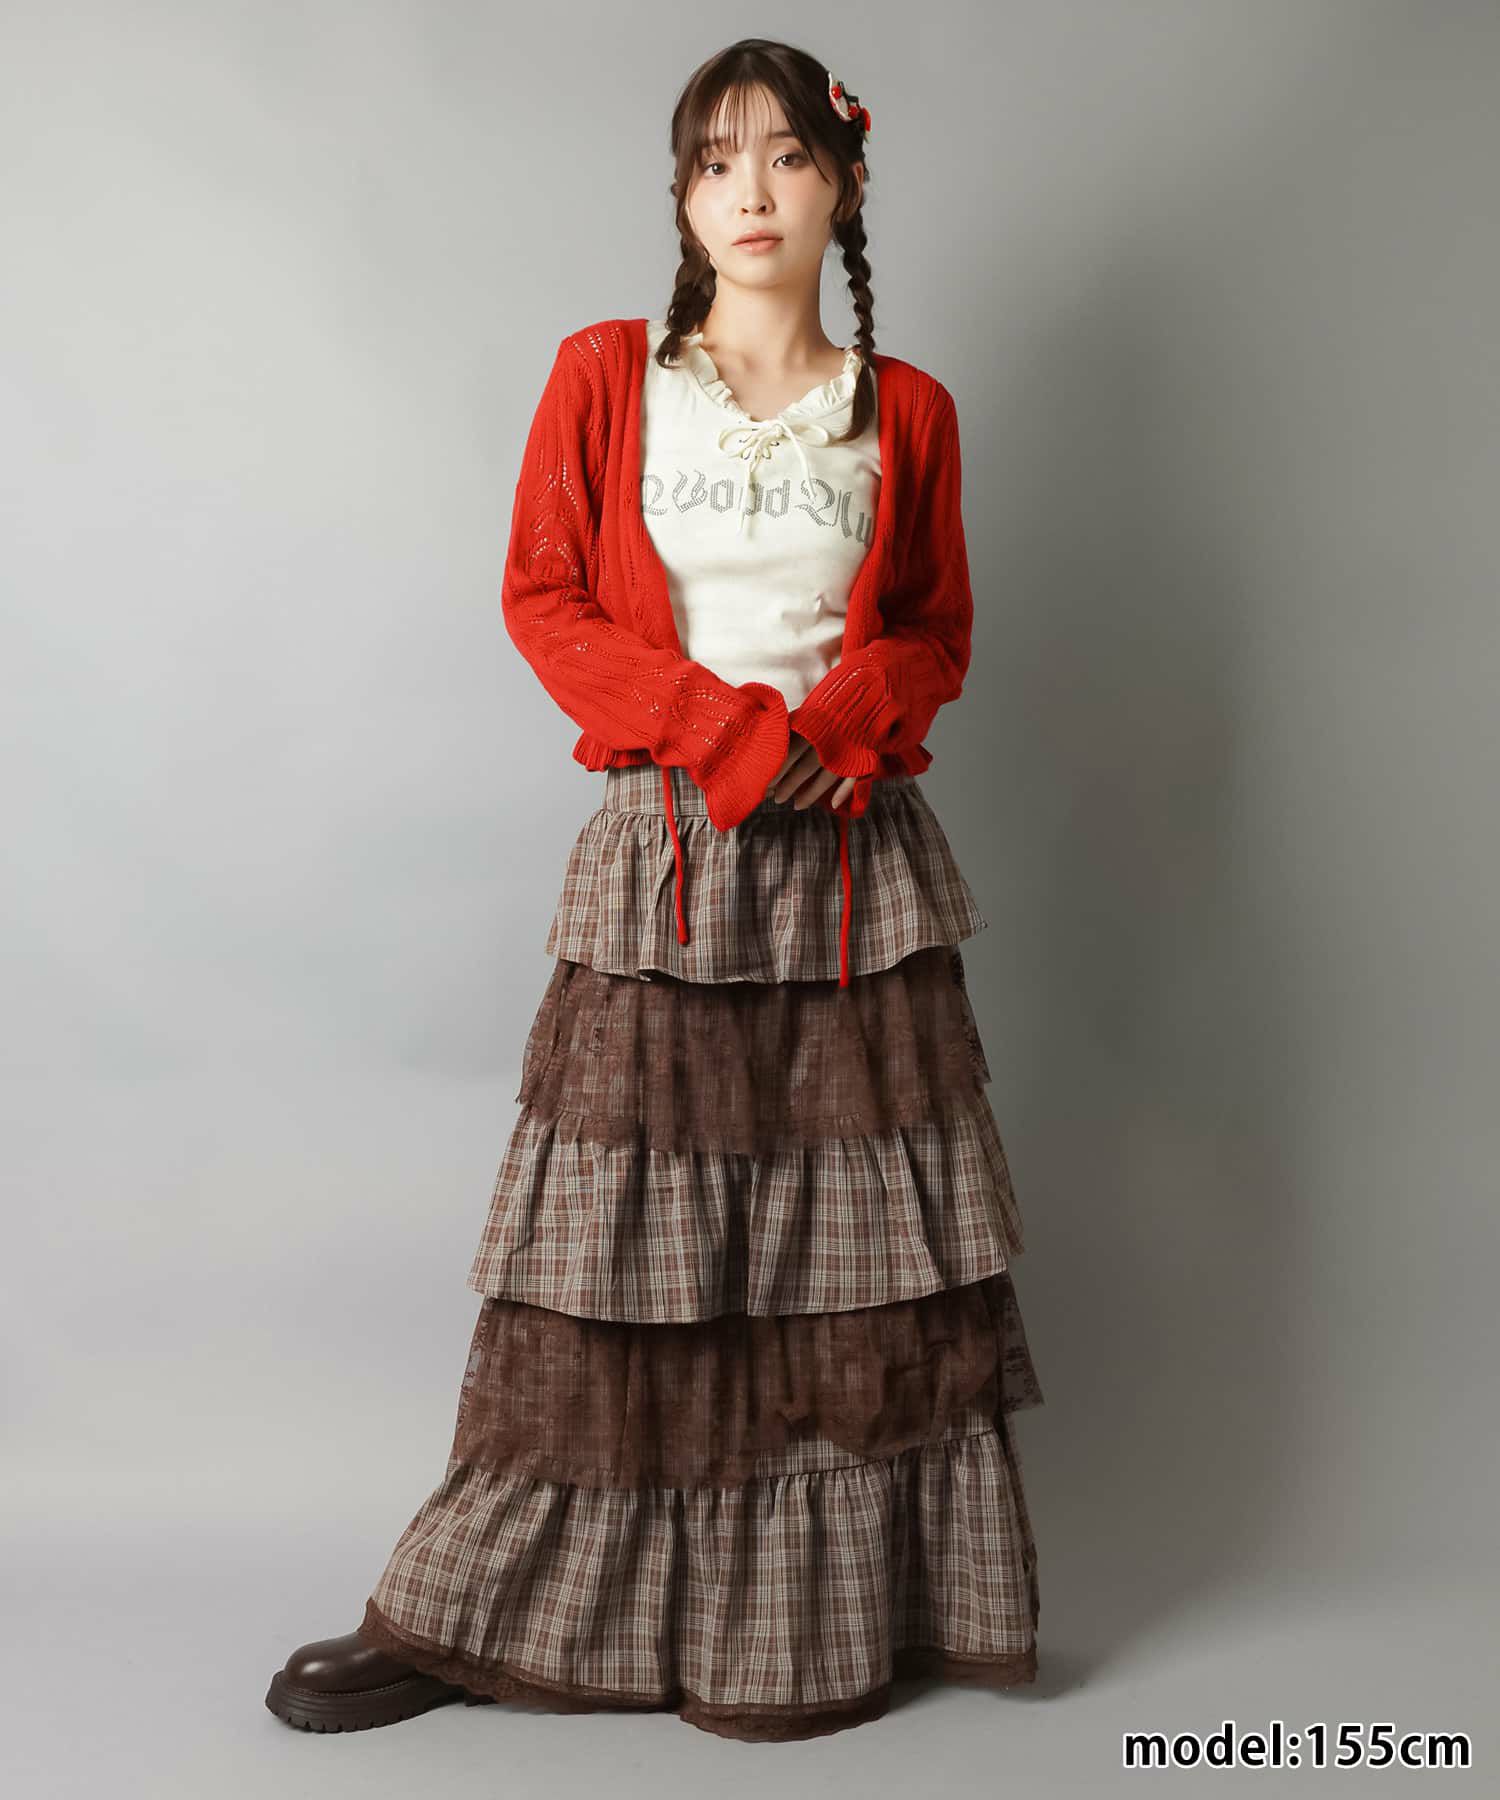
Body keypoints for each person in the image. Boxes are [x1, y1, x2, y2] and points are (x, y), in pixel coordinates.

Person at [264, 36, 1043, 1744]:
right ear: (683, 198)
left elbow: (935, 629)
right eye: (713, 160)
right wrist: (728, 737)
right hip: (666, 849)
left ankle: (830, 1616)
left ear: (843, 185)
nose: (749, 191)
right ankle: (480, 1607)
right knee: (619, 1253)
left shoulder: (908, 410)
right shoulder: (610, 374)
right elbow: (546, 598)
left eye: (785, 156)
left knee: (844, 1252)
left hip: (851, 867)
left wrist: (841, 720)